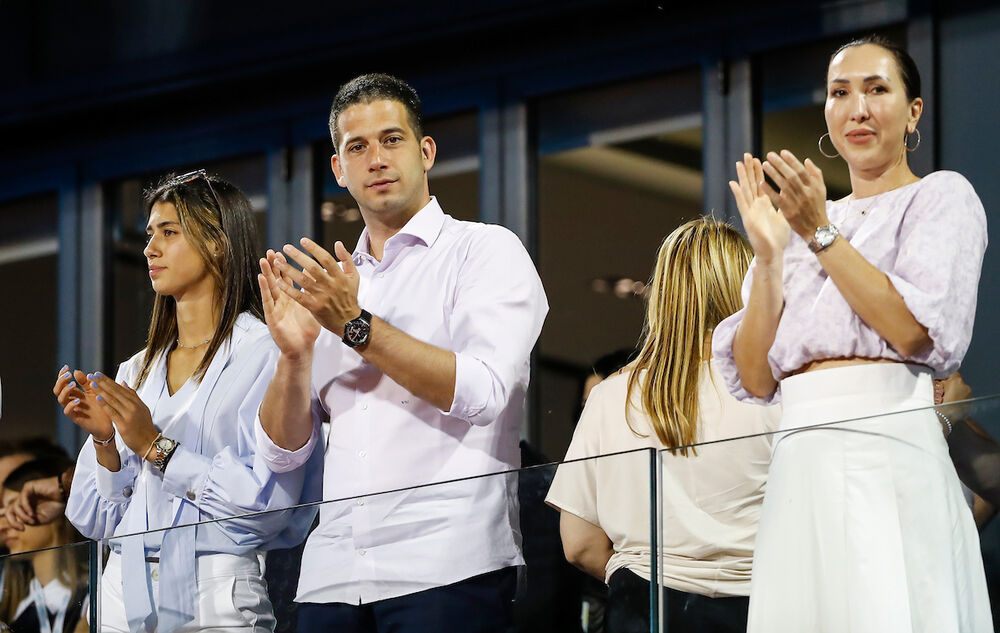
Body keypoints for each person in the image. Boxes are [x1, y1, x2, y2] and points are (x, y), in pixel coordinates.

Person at [714, 35, 991, 632]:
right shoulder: (793, 227)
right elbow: (757, 376)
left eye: (877, 89)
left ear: (913, 111)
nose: (857, 109)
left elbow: (915, 334)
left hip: (890, 452)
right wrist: (766, 257)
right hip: (800, 464)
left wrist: (818, 231)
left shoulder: (941, 197)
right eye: (840, 93)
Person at [254, 73, 548, 632]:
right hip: (332, 575)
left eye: (392, 140)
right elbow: (283, 456)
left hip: (447, 563)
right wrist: (293, 359)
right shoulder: (329, 288)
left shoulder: (484, 250)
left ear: (426, 152)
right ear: (338, 170)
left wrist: (356, 325)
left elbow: (483, 393)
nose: (377, 159)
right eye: (357, 147)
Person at [58, 171, 318, 633]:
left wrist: (155, 446)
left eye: (169, 232)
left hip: (216, 589)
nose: (149, 248)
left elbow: (266, 508)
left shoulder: (267, 353)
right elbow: (94, 521)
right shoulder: (136, 369)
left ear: (217, 242)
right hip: (122, 587)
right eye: (149, 234)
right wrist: (105, 444)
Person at [547, 218, 780, 633]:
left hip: (645, 610)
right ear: (745, 288)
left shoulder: (609, 398)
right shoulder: (774, 391)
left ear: (663, 295)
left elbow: (579, 544)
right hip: (763, 608)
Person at [0, 458, 88, 633]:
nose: (3, 525)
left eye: (17, 508)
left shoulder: (96, 592)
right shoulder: (15, 603)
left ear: (53, 506)